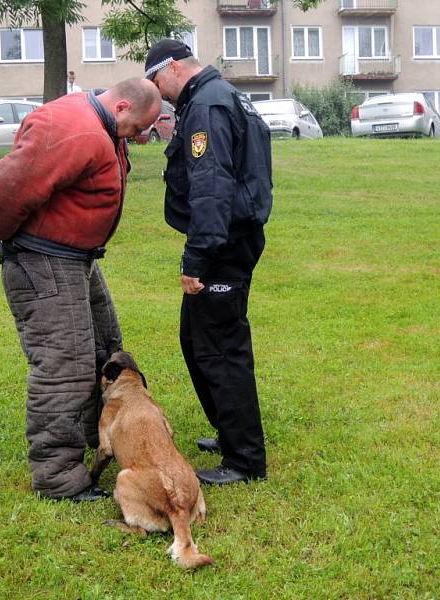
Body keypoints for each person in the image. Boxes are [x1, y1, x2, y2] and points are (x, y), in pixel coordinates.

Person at [0, 78, 162, 502]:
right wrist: (22, 244)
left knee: (105, 348)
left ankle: (104, 438)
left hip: (77, 258)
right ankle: (58, 478)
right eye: (137, 129)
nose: (138, 137)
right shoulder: (73, 129)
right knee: (65, 366)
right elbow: (3, 192)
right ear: (124, 106)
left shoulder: (102, 126)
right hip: (45, 259)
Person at [144, 39, 273, 486]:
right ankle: (230, 431)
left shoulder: (208, 107)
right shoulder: (224, 97)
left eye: (156, 79)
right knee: (196, 338)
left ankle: (244, 459)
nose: (157, 91)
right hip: (230, 237)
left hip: (222, 243)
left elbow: (212, 187)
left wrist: (196, 258)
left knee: (221, 348)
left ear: (174, 67)